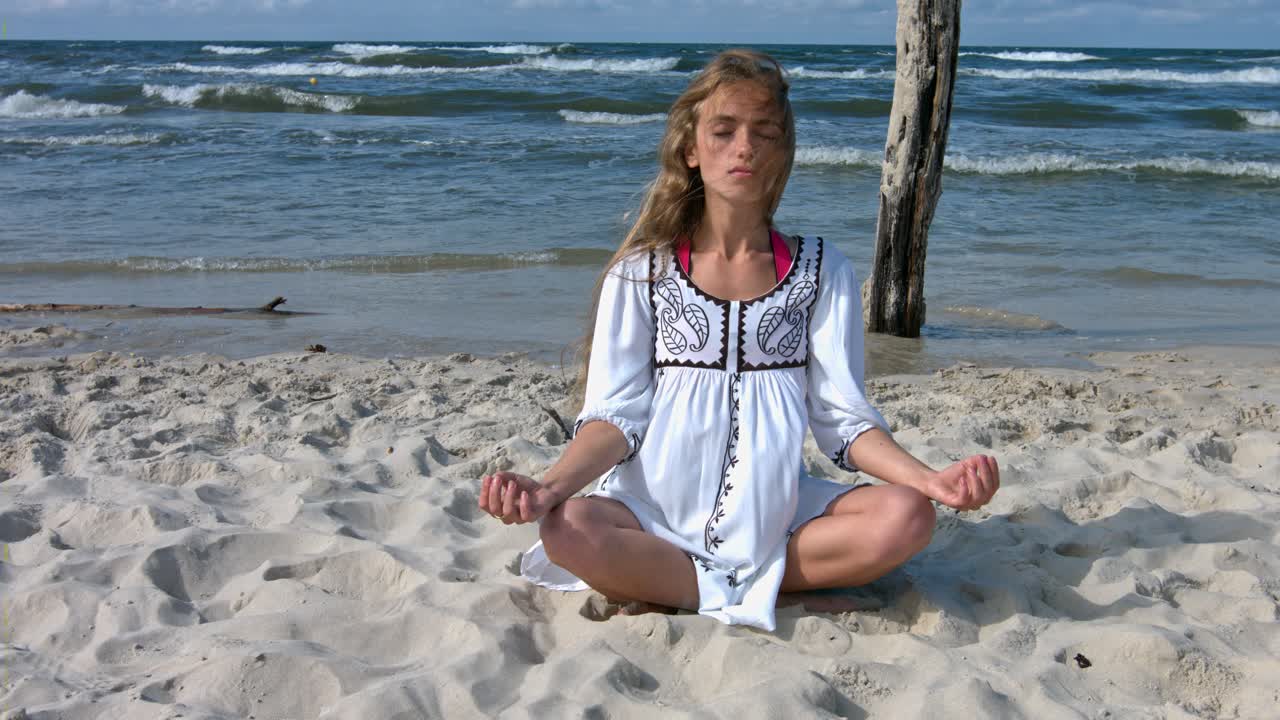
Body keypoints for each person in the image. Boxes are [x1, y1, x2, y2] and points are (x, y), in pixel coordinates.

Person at [478, 49, 998, 631]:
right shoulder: (641, 274)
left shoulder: (823, 271)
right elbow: (614, 420)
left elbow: (842, 421)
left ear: (781, 152)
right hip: (650, 514)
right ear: (691, 150)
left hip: (773, 513)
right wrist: (548, 486)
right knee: (566, 528)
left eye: (764, 132)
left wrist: (927, 478)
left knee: (908, 516)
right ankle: (767, 590)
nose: (744, 146)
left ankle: (695, 587)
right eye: (723, 131)